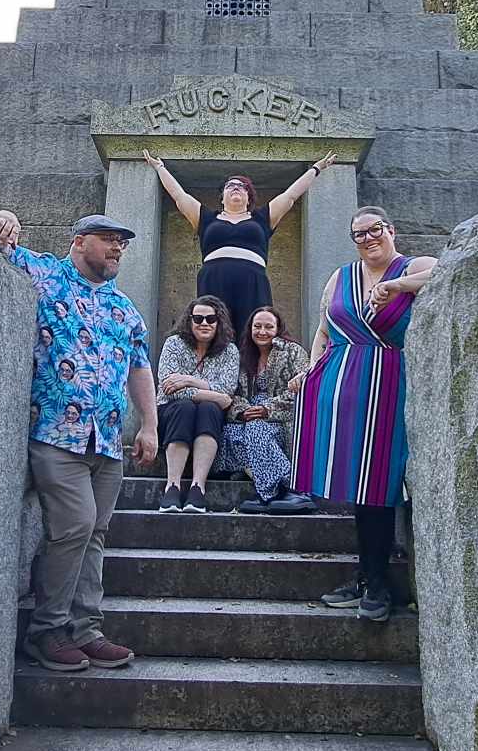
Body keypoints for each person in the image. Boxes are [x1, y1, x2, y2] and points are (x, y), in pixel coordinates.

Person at [0, 208, 158, 674]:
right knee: (75, 527)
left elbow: (140, 366)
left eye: (122, 241)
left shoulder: (123, 307)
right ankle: (47, 631)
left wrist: (149, 424)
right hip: (57, 434)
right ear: (79, 242)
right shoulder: (47, 274)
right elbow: (0, 247)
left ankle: (86, 629)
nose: (117, 248)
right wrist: (3, 219)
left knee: (95, 535)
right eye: (107, 239)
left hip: (106, 442)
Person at [288, 205, 436, 621]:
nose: (368, 239)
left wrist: (400, 286)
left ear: (390, 230)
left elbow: (447, 273)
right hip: (341, 387)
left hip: (389, 385)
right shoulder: (341, 277)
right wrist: (311, 371)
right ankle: (367, 576)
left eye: (374, 230)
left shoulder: (412, 265)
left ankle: (378, 584)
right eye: (359, 234)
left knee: (380, 486)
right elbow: (322, 330)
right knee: (358, 487)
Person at [143, 149, 338, 345]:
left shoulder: (262, 218)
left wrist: (316, 168)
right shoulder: (206, 219)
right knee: (213, 330)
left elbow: (291, 195)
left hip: (253, 283)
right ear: (222, 196)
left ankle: (252, 373)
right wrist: (160, 167)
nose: (236, 188)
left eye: (242, 186)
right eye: (230, 185)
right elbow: (179, 195)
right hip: (213, 280)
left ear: (249, 197)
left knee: (255, 333)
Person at [218, 305, 312, 512]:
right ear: (250, 328)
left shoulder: (292, 351)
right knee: (230, 434)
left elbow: (304, 387)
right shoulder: (242, 356)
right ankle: (275, 491)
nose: (262, 331)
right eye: (257, 326)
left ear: (278, 329)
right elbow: (234, 393)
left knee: (255, 429)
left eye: (269, 327)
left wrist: (267, 409)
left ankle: (288, 489)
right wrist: (242, 411)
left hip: (284, 418)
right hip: (250, 416)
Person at [152, 295, 240, 513]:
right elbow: (169, 389)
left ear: (219, 322)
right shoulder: (174, 344)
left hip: (208, 419)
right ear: (189, 321)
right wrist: (215, 394)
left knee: (208, 409)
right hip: (172, 414)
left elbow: (228, 389)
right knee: (186, 407)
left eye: (210, 319)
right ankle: (172, 486)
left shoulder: (230, 351)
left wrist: (190, 380)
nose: (204, 323)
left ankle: (197, 488)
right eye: (198, 318)